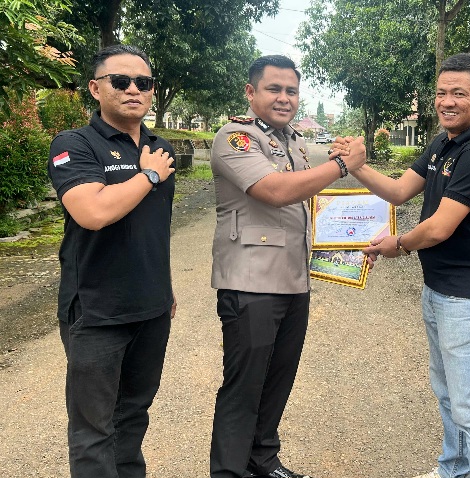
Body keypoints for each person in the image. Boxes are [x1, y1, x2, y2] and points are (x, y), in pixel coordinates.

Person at [334, 53, 470, 478]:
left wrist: (397, 244)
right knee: (449, 394)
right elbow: (398, 192)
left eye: (459, 93)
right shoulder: (443, 144)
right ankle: (454, 469)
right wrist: (357, 167)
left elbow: (438, 228)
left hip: (469, 295)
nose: (447, 101)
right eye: (441, 93)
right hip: (439, 289)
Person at [208, 55, 365, 478]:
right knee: (244, 387)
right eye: (274, 89)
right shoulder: (235, 138)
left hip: (294, 280)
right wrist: (342, 165)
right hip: (251, 282)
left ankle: (263, 460)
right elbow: (275, 190)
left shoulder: (293, 141)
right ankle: (229, 472)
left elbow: (312, 193)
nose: (284, 98)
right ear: (251, 92)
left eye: (291, 91)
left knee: (278, 380)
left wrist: (353, 242)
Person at [47, 44, 177, 477]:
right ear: (95, 88)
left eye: (143, 82)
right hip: (96, 312)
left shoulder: (160, 147)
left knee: (133, 415)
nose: (133, 89)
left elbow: (154, 229)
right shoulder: (74, 144)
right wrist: (148, 175)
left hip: (152, 309)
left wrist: (166, 289)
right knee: (94, 428)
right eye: (120, 81)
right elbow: (93, 212)